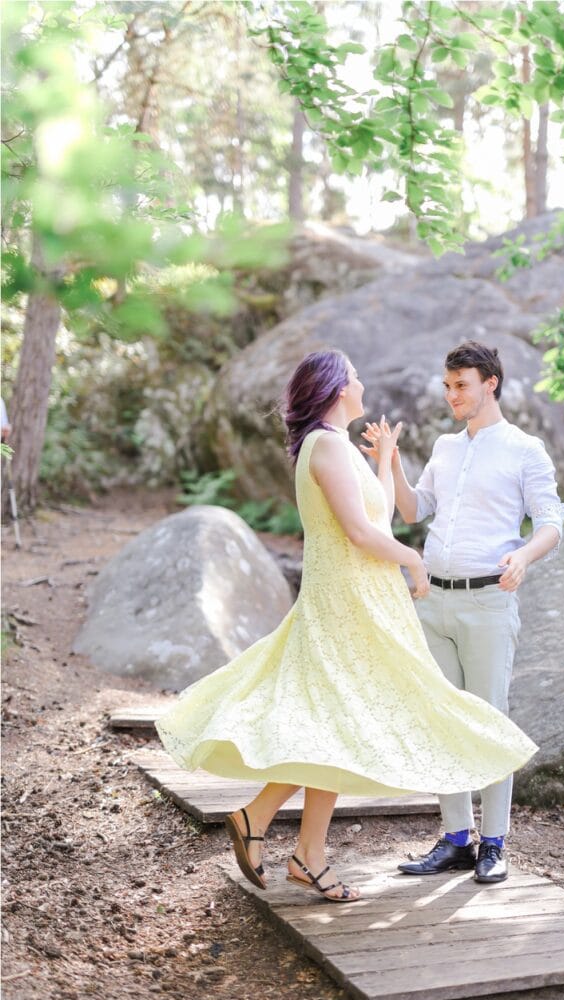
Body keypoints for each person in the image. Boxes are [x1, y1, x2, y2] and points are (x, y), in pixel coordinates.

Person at [156, 349, 537, 903]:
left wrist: (386, 458)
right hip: (343, 603)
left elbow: (377, 512)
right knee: (331, 723)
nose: (362, 382)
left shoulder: (338, 447)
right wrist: (414, 560)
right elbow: (361, 533)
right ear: (337, 389)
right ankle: (262, 819)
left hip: (361, 600)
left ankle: (306, 852)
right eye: (355, 376)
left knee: (335, 724)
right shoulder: (326, 446)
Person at [361, 341, 564, 884]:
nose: (452, 395)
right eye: (448, 386)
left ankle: (494, 843)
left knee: (489, 721)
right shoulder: (446, 448)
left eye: (462, 386)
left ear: (490, 384)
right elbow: (412, 510)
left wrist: (523, 554)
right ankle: (455, 839)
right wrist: (391, 460)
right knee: (439, 718)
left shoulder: (526, 449)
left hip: (487, 602)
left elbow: (551, 522)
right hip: (433, 601)